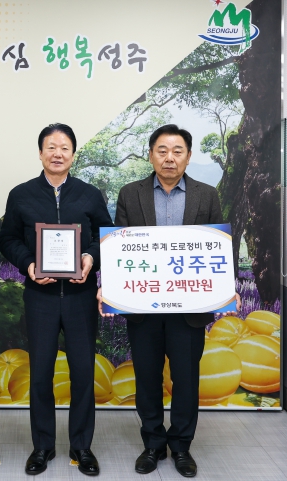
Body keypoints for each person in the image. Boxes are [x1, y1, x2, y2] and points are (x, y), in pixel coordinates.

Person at [97, 124, 240, 478]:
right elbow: (119, 249)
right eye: (162, 151)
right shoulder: (131, 194)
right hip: (143, 309)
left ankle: (181, 447)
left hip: (189, 310)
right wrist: (110, 287)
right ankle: (153, 444)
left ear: (188, 157)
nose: (169, 158)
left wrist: (227, 287)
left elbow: (219, 247)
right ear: (151, 155)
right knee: (147, 378)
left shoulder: (207, 195)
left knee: (186, 380)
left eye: (177, 151)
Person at [0, 124, 113, 477]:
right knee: (40, 375)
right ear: (40, 153)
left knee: (83, 374)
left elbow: (106, 236)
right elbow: (8, 239)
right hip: (41, 298)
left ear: (73, 155)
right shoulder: (21, 195)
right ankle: (42, 446)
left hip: (80, 297)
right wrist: (28, 265)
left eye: (64, 147)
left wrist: (90, 258)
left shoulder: (89, 195)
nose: (57, 153)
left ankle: (82, 446)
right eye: (51, 147)